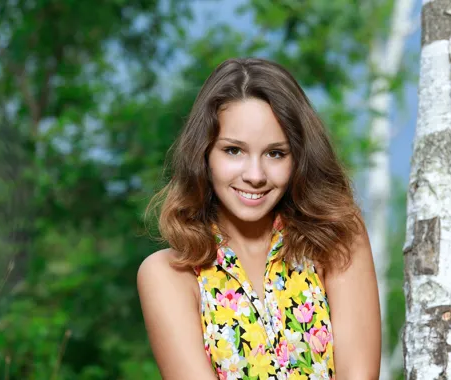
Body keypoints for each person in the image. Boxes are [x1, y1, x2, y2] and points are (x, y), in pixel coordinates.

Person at [137, 57, 381, 379]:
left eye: (275, 153)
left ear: (299, 158)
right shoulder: (168, 274)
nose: (255, 175)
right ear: (204, 153)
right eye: (234, 150)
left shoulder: (337, 236)